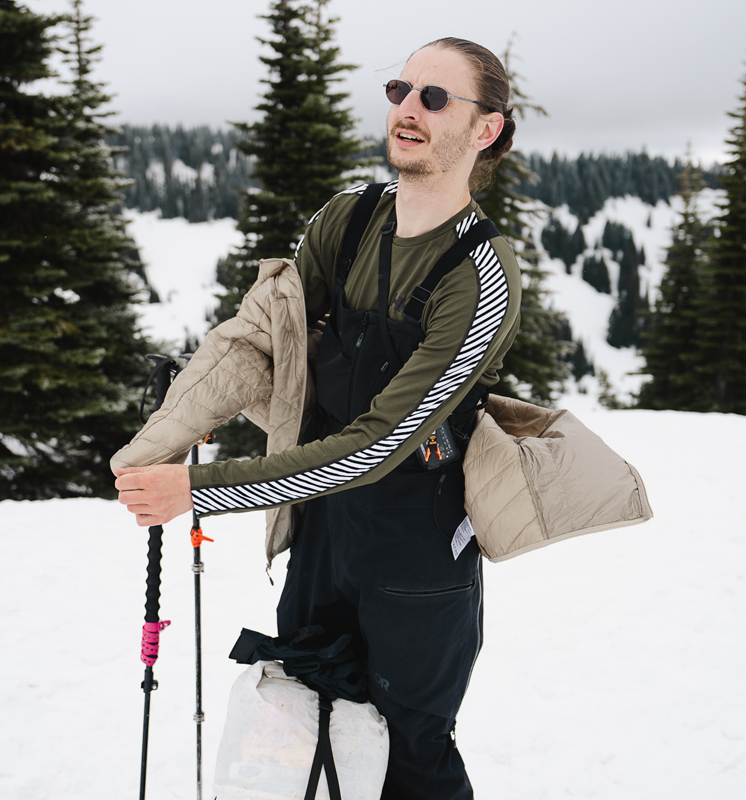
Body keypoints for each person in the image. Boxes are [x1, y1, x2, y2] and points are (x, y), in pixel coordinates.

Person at [116, 37, 521, 800]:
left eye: (435, 98)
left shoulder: (479, 276)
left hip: (417, 552)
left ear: (486, 129)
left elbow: (377, 447)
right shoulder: (350, 218)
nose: (408, 109)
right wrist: (157, 445)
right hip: (323, 537)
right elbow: (258, 339)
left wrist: (196, 491)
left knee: (410, 762)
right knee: (303, 735)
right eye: (401, 89)